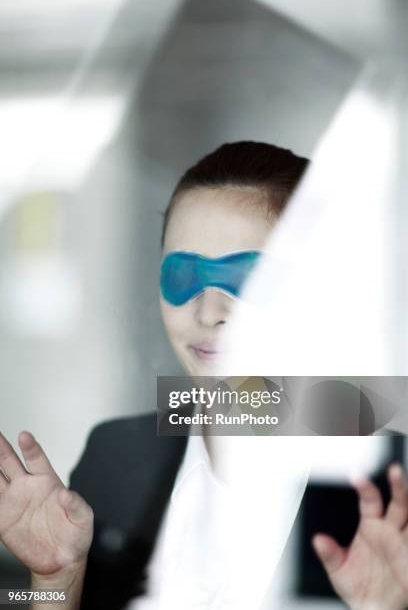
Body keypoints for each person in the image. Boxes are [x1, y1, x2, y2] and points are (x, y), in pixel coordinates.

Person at [0, 141, 408, 610]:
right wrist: (56, 583)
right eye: (184, 274)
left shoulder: (390, 483)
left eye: (247, 279)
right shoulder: (116, 457)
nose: (209, 311)